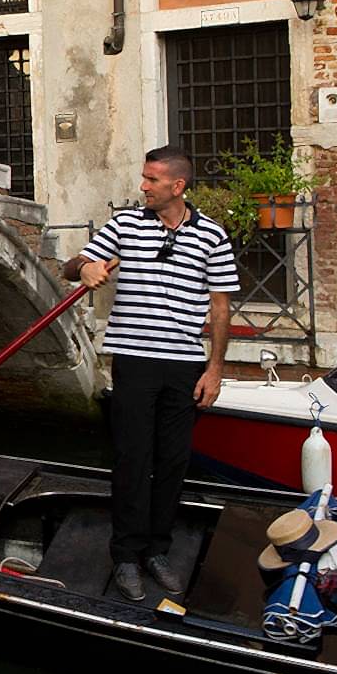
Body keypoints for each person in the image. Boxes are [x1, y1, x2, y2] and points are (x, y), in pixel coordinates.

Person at [64, 145, 239, 602]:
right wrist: (85, 268)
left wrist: (214, 370)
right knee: (132, 460)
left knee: (173, 463)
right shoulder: (124, 225)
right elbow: (71, 264)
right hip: (134, 362)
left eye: (151, 179)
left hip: (184, 365)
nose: (142, 186)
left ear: (177, 186)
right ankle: (125, 556)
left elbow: (221, 309)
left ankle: (157, 550)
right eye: (143, 178)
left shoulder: (213, 237)